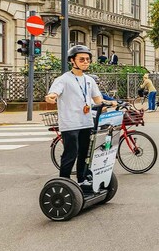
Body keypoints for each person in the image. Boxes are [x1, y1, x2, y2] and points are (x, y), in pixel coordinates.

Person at [45, 45, 115, 189]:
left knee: (85, 153)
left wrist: (111, 103)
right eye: (81, 59)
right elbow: (54, 93)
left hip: (86, 122)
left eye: (88, 59)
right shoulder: (63, 79)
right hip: (70, 123)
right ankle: (63, 183)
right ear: (72, 60)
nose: (85, 62)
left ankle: (82, 180)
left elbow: (98, 100)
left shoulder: (89, 80)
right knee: (71, 154)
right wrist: (51, 97)